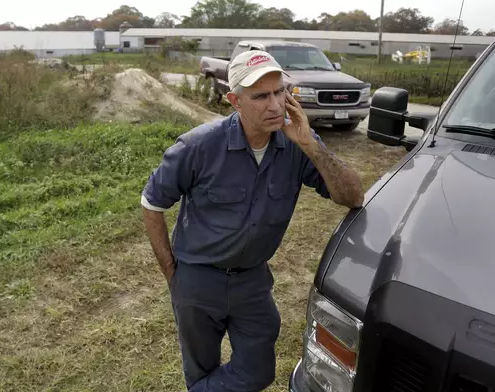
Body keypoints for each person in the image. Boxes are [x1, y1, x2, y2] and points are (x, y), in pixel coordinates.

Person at [140, 50, 364, 392]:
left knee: (258, 373)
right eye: (260, 96)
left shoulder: (296, 146)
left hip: (253, 283)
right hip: (198, 279)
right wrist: (172, 273)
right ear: (235, 101)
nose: (275, 105)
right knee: (200, 369)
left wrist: (311, 145)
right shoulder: (198, 146)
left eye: (280, 92)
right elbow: (152, 201)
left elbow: (352, 196)